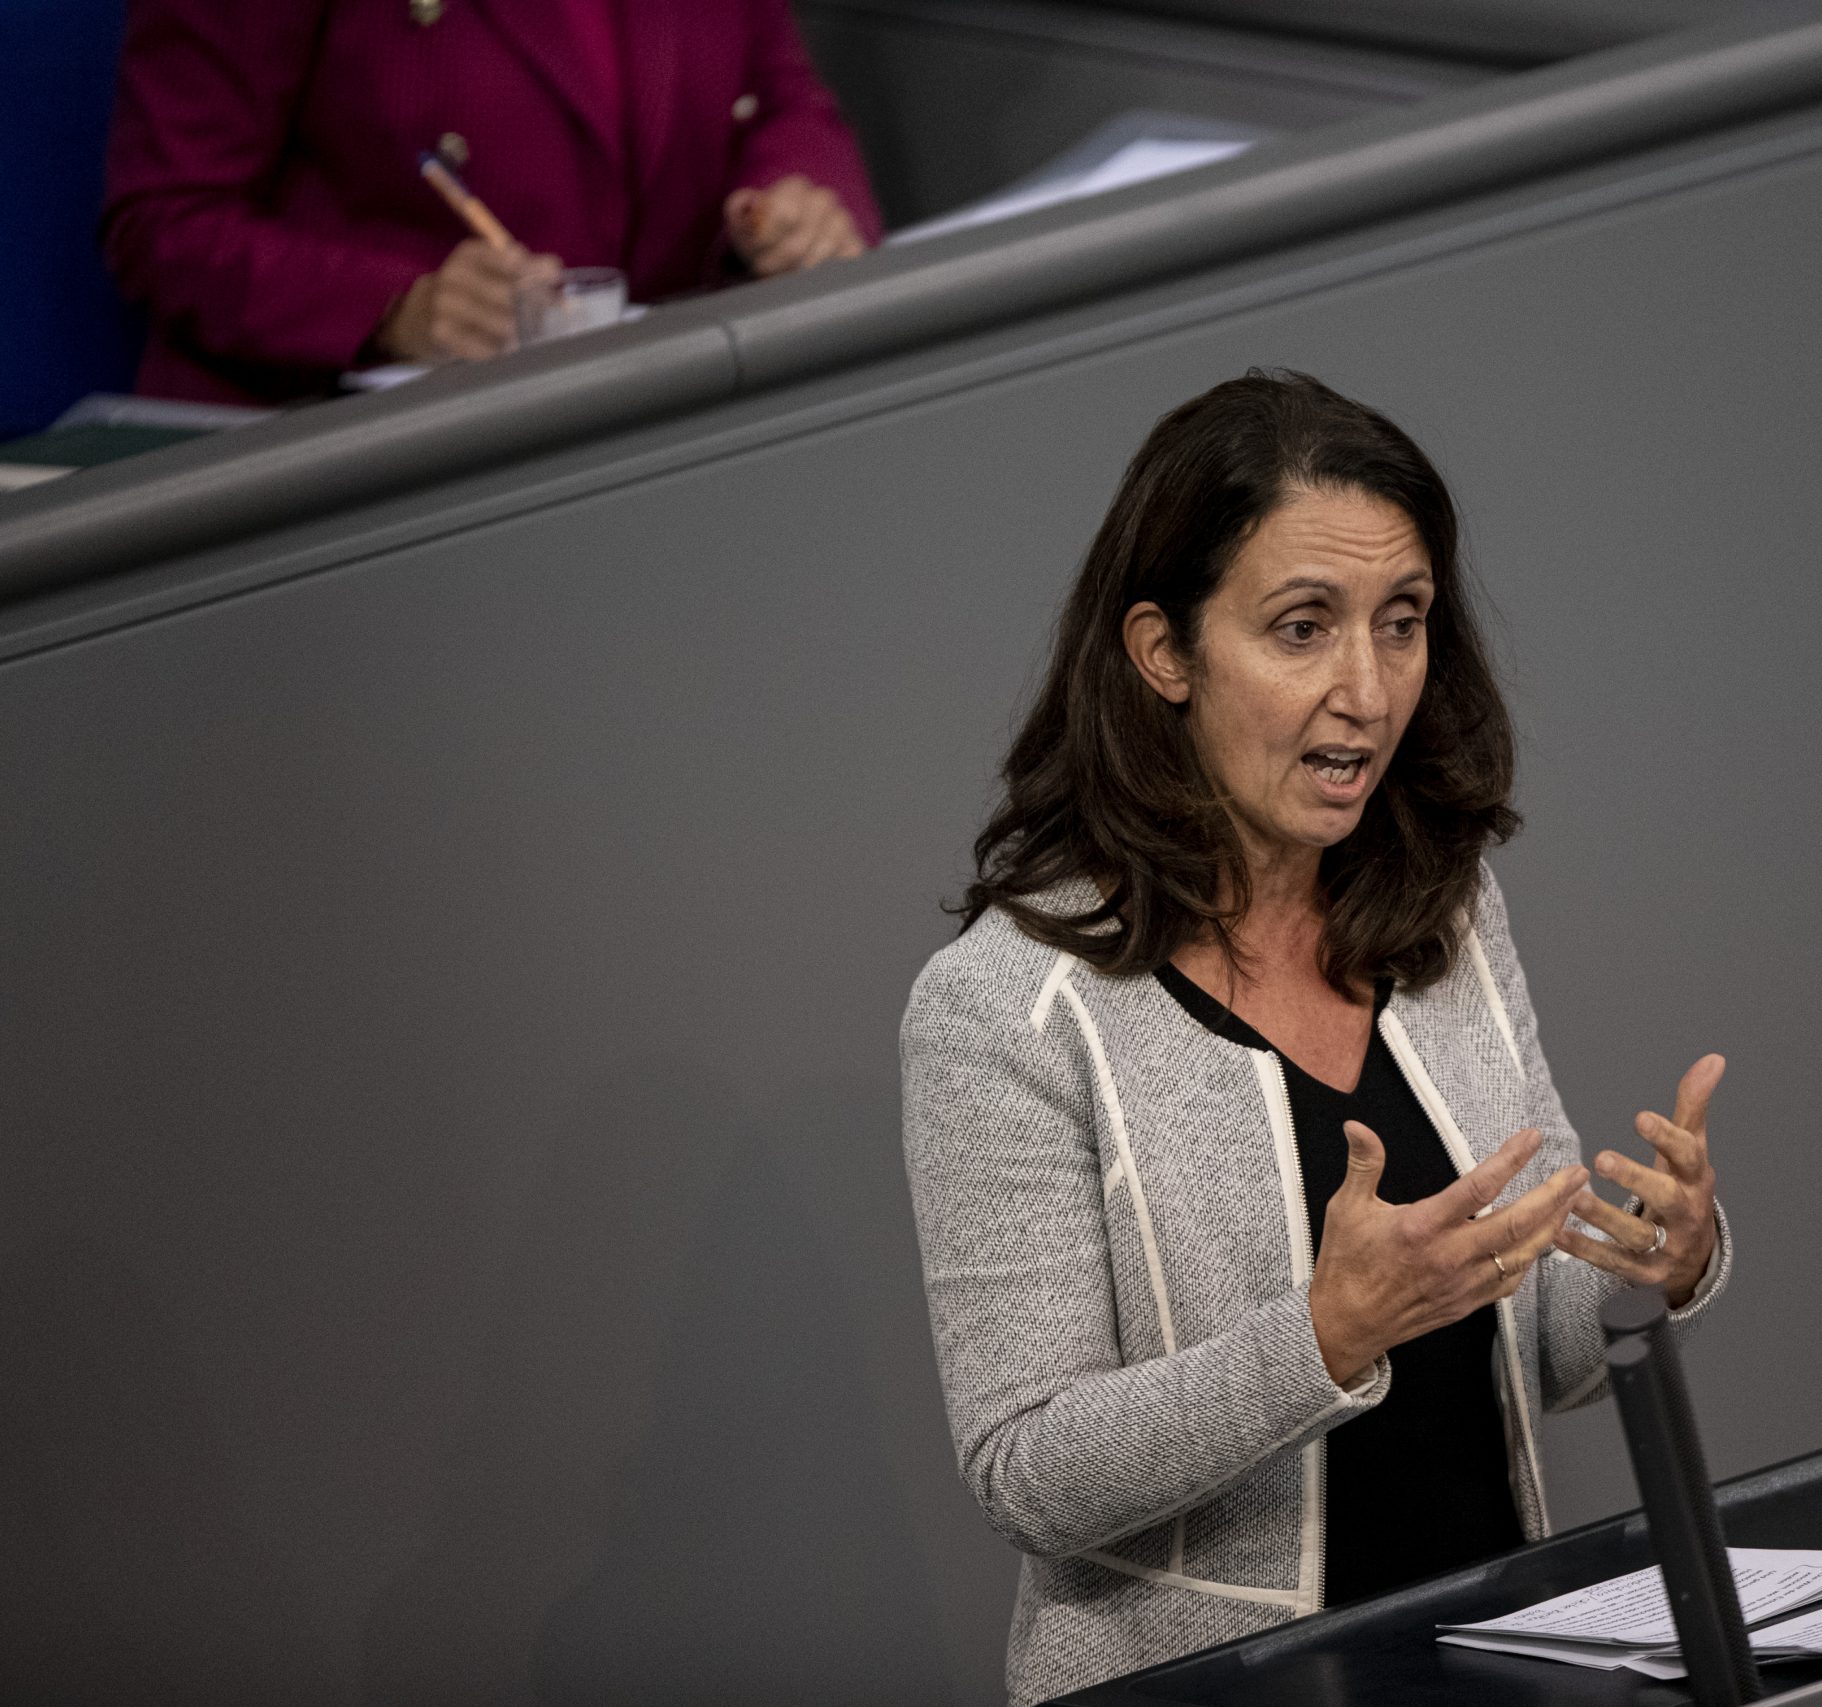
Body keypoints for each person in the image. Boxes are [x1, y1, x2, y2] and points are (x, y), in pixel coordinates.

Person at [899, 371, 1735, 1703]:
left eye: (1401, 623)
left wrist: (1651, 1257)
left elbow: (1535, 1339)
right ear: (1163, 651)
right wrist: (1325, 1334)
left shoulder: (1446, 907)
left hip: (1493, 1659)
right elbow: (1029, 1468)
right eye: (1302, 628)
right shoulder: (1006, 1005)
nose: (1367, 689)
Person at [101, 0, 882, 404]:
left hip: (659, 416)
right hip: (362, 466)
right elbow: (166, 218)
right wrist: (394, 309)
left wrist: (798, 205)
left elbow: (783, 99)